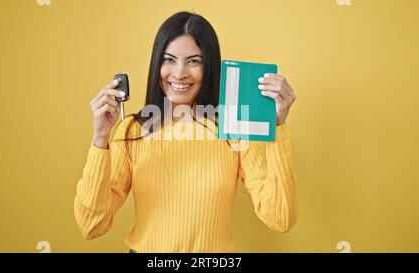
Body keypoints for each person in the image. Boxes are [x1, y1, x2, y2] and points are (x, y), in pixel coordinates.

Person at [74, 11, 298, 253]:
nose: (179, 73)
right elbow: (91, 225)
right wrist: (100, 140)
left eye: (194, 61)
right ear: (157, 63)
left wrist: (277, 126)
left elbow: (280, 218)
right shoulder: (132, 131)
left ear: (209, 66)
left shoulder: (234, 128)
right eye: (169, 59)